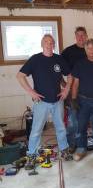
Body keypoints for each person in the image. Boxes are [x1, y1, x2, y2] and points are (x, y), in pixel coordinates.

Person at [16, 34, 72, 168]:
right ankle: (31, 156)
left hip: (57, 100)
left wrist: (66, 90)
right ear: (42, 44)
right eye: (47, 42)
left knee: (61, 128)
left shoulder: (59, 59)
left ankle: (64, 151)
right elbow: (20, 76)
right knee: (36, 130)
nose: (49, 44)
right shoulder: (35, 59)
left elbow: (70, 75)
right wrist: (31, 92)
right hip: (41, 102)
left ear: (54, 45)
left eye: (52, 42)